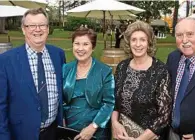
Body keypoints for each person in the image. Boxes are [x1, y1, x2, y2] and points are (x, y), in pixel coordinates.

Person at [0, 8, 66, 140]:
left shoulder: (58, 54)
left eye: (42, 25)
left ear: (47, 28)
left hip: (53, 132)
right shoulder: (6, 60)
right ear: (24, 29)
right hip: (21, 134)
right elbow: (1, 105)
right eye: (31, 25)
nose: (38, 29)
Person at [111, 21, 172, 140]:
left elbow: (164, 116)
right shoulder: (122, 67)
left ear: (149, 42)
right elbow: (114, 101)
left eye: (142, 40)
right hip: (123, 135)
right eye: (134, 40)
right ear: (129, 42)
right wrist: (115, 123)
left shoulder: (160, 71)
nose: (138, 44)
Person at [63, 28, 115, 140]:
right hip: (69, 131)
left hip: (97, 133)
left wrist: (93, 127)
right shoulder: (65, 69)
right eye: (77, 44)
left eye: (85, 44)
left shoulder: (105, 71)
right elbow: (60, 100)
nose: (80, 48)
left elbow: (109, 103)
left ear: (93, 47)